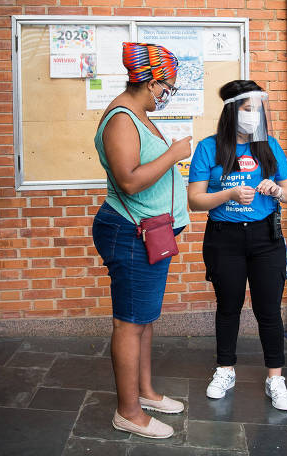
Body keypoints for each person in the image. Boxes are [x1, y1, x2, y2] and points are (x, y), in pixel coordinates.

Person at [92, 42, 192, 439]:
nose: (168, 93)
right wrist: (174, 154)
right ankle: (128, 412)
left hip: (150, 233)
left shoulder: (138, 114)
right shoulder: (121, 119)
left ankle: (145, 393)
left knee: (144, 319)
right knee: (129, 323)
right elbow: (130, 181)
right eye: (168, 86)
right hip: (131, 233)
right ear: (151, 83)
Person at [188, 80, 287, 411]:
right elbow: (195, 200)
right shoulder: (209, 148)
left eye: (258, 110)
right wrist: (229, 194)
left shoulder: (269, 146)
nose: (255, 116)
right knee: (228, 306)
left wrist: (277, 191)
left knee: (269, 310)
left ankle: (275, 378)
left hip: (266, 239)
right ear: (232, 111)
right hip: (225, 238)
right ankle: (225, 370)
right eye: (248, 109)